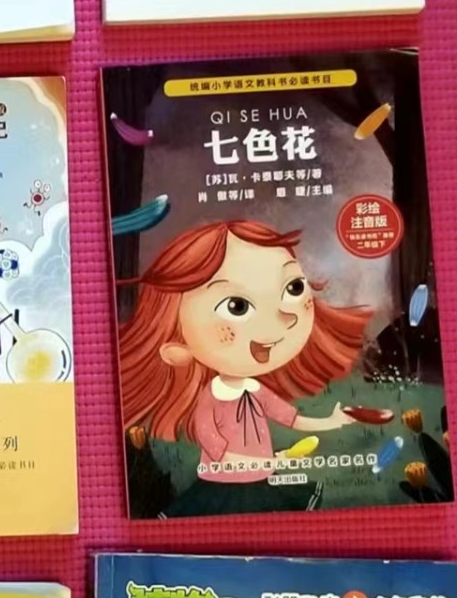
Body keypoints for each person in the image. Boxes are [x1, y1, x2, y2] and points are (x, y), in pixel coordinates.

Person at [118, 220, 373, 515]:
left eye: (293, 287)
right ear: (178, 349)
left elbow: (291, 419)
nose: (285, 317)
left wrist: (332, 421)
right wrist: (270, 461)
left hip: (262, 481)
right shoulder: (209, 401)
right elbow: (220, 452)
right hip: (223, 489)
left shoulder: (254, 389)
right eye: (236, 306)